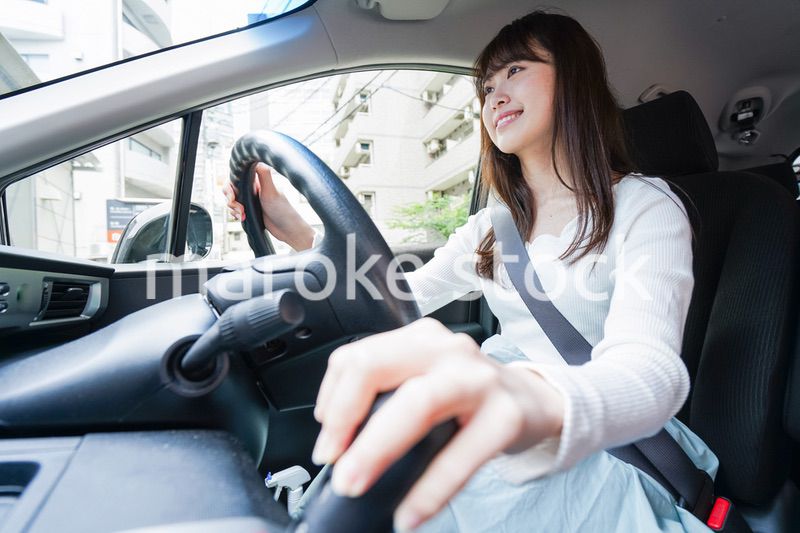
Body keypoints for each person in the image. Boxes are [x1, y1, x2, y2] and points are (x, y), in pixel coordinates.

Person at [224, 11, 717, 532]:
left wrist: (529, 397)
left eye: (516, 70)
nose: (495, 95)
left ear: (574, 80)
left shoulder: (644, 206)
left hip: (605, 440)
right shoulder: (492, 227)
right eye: (487, 86)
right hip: (496, 414)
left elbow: (649, 371)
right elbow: (393, 299)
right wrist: (299, 232)